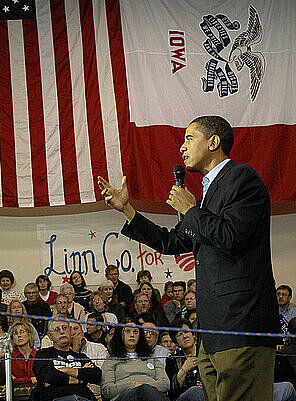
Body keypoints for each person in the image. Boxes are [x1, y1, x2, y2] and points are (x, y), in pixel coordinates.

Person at [98, 115, 280, 401]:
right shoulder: (207, 195)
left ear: (213, 142)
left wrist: (192, 210)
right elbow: (173, 242)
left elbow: (232, 237)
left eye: (189, 138)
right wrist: (127, 210)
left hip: (240, 324)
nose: (182, 147)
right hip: (211, 333)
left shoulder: (242, 178)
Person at [101, 318, 170, 401]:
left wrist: (147, 386)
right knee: (143, 390)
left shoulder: (151, 357)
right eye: (128, 331)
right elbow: (107, 390)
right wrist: (133, 385)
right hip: (124, 397)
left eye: (135, 332)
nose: (132, 335)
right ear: (120, 334)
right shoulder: (111, 359)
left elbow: (165, 384)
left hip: (151, 395)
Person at [33, 320, 102, 401]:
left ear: (70, 331)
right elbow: (48, 375)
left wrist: (66, 370)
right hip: (56, 397)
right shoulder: (43, 354)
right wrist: (80, 379)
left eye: (64, 328)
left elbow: (96, 374)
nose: (62, 331)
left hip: (84, 397)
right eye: (57, 329)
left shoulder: (80, 356)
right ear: (50, 336)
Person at [165, 319, 203, 401]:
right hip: (183, 397)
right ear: (176, 342)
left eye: (186, 332)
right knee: (195, 391)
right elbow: (172, 391)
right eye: (179, 335)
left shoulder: (205, 354)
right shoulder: (172, 360)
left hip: (207, 394)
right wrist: (184, 369)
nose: (185, 336)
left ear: (193, 335)